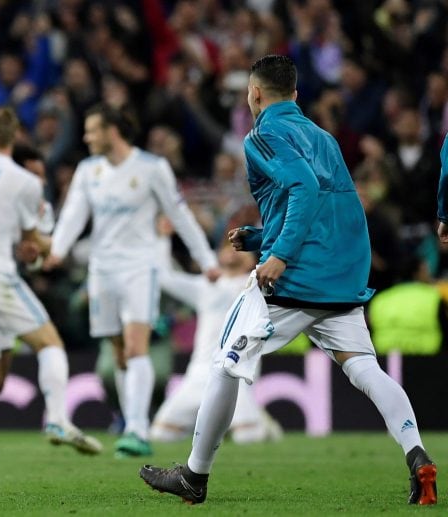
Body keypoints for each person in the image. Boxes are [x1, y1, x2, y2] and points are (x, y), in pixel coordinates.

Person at [140, 54, 437, 506]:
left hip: (295, 278)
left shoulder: (261, 135)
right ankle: (418, 457)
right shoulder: (323, 138)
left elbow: (303, 188)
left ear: (254, 94)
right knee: (365, 369)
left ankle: (194, 476)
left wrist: (276, 254)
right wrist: (261, 236)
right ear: (296, 95)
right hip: (339, 275)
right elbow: (328, 205)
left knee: (224, 364)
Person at [44, 103, 220, 458]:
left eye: (92, 129)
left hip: (141, 267)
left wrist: (207, 260)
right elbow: (74, 215)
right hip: (102, 269)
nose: (86, 136)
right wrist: (57, 250)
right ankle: (130, 420)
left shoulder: (152, 168)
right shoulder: (88, 170)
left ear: (112, 131)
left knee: (136, 344)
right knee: (118, 350)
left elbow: (179, 215)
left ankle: (139, 430)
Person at [0, 106, 101, 466]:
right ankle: (57, 418)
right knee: (49, 342)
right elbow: (32, 239)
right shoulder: (23, 182)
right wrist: (52, 249)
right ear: (14, 139)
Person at [150, 219, 282, 444]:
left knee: (248, 437)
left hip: (237, 372)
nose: (232, 251)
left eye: (241, 248)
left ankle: (253, 419)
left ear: (253, 259)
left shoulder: (258, 284)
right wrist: (163, 238)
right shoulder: (204, 286)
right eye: (227, 246)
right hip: (199, 373)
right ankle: (217, 420)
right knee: (161, 434)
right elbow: (164, 277)